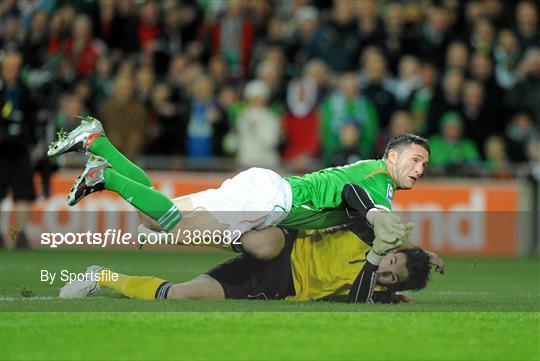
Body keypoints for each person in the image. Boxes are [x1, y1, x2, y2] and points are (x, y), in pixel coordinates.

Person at [48, 117, 429, 256]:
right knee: (168, 223)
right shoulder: (378, 181)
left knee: (153, 218)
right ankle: (105, 176)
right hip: (270, 199)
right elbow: (357, 199)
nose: (419, 169)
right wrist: (379, 215)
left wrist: (421, 253)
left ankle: (97, 142)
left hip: (264, 189)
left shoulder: (370, 173)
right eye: (414, 159)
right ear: (392, 156)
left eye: (425, 165)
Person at [59, 224, 435, 303]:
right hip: (287, 247)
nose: (385, 269)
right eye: (391, 260)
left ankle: (102, 276)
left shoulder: (373, 290)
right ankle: (176, 232)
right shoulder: (367, 229)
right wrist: (425, 252)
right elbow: (395, 234)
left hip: (279, 285)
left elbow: (360, 299)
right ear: (394, 248)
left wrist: (391, 287)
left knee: (180, 297)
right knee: (265, 240)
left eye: (392, 276)